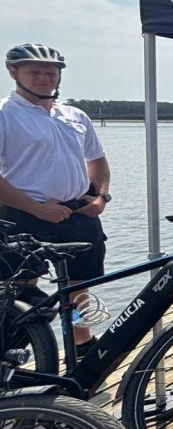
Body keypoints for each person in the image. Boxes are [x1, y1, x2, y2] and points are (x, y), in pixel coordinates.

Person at [0, 44, 110, 356]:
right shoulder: (5, 114)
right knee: (22, 291)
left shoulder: (74, 115)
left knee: (77, 288)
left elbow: (98, 162)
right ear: (14, 72)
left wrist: (100, 198)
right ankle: (13, 356)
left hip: (77, 214)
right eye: (34, 72)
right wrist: (36, 209)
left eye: (51, 72)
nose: (44, 78)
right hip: (24, 215)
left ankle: (81, 342)